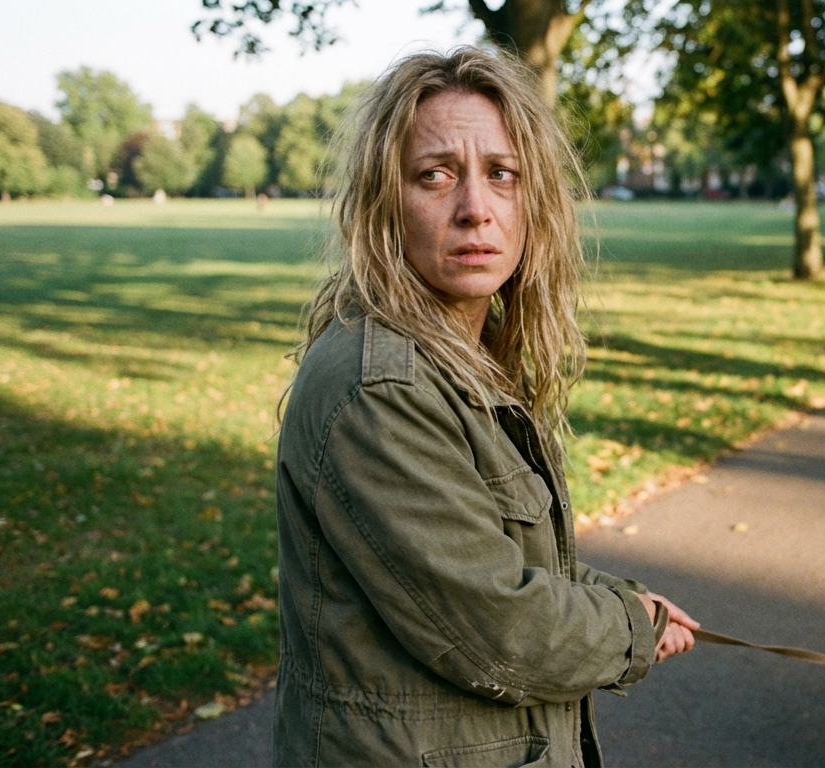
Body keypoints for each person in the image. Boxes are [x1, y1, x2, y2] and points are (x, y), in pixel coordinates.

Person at [273, 47, 698, 767]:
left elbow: (492, 558)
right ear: (384, 201)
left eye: (502, 175)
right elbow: (494, 628)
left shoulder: (463, 358)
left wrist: (622, 598)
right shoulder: (383, 387)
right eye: (434, 176)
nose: (475, 209)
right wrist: (629, 626)